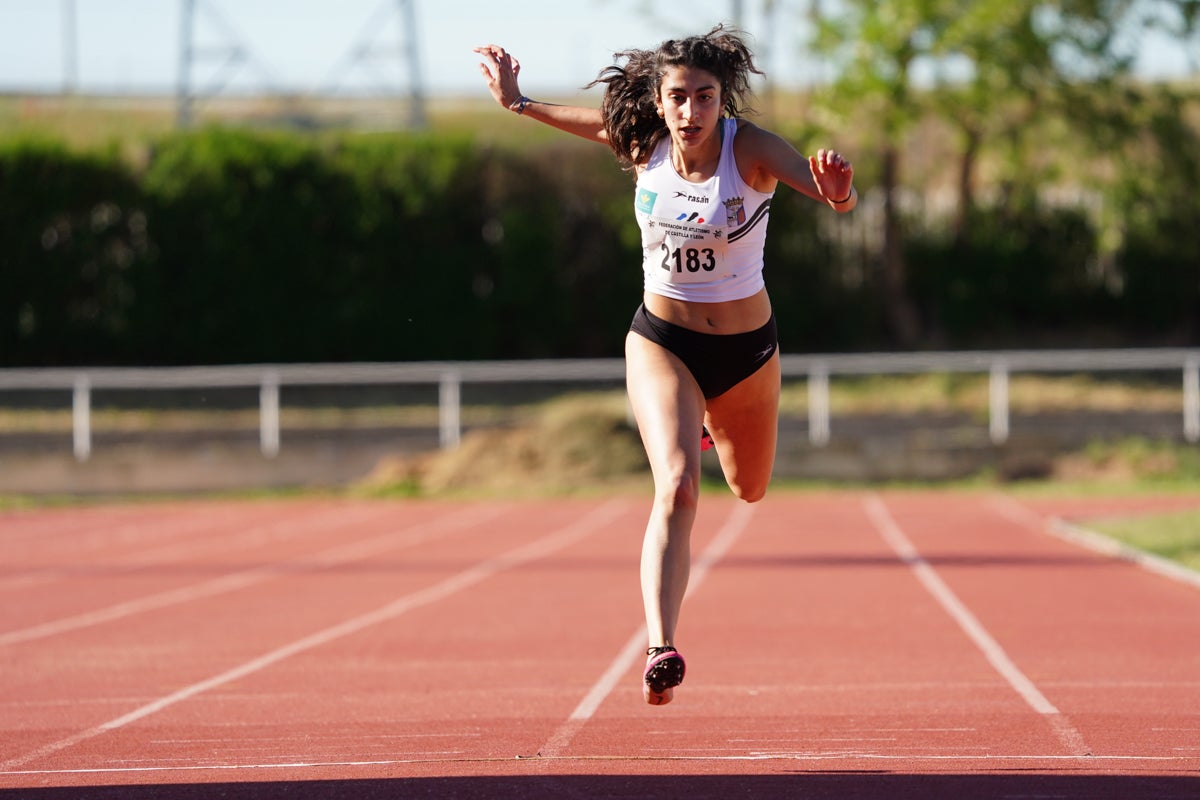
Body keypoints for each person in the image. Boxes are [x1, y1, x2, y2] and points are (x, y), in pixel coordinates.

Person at [476, 26, 856, 706]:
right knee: (678, 487)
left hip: (744, 354)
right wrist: (518, 103)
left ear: (721, 100)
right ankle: (661, 645)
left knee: (749, 489)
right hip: (662, 340)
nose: (690, 113)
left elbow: (829, 193)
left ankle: (711, 422)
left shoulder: (752, 149)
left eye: (704, 98)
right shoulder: (642, 144)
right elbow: (591, 122)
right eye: (677, 98)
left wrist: (837, 192)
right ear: (658, 99)